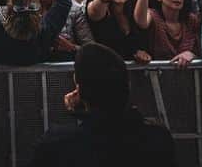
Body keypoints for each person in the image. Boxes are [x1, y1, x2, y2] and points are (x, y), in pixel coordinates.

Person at [28, 43, 176, 167]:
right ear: (127, 86)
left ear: (80, 90)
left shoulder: (56, 144)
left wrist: (81, 113)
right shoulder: (158, 139)